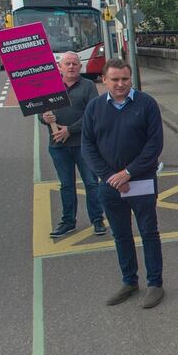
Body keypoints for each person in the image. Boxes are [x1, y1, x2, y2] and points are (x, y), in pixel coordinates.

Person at [81, 58, 165, 309]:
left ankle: (155, 283)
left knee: (148, 233)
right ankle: (129, 281)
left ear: (131, 79)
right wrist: (111, 177)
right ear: (104, 80)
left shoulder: (147, 104)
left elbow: (154, 145)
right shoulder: (94, 108)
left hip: (141, 182)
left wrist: (128, 173)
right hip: (109, 185)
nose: (120, 84)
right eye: (115, 79)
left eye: (125, 79)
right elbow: (88, 147)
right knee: (121, 235)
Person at [42, 51, 105, 238]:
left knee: (91, 183)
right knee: (66, 185)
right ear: (60, 67)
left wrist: (69, 130)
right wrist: (44, 118)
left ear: (80, 66)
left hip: (83, 144)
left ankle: (97, 220)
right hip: (58, 146)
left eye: (74, 64)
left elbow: (92, 114)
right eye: (67, 64)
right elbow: (41, 111)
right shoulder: (50, 87)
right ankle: (68, 222)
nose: (71, 67)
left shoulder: (88, 86)